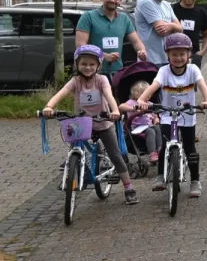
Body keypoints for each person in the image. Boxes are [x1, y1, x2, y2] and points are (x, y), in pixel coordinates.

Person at [43, 45, 139, 205]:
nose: (87, 67)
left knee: (115, 155)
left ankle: (128, 188)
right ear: (77, 65)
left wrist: (114, 111)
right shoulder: (75, 81)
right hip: (81, 123)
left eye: (92, 64)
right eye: (84, 64)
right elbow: (60, 94)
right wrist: (48, 107)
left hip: (102, 122)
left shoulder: (101, 80)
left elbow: (109, 95)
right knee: (73, 151)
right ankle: (71, 178)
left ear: (98, 66)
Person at [139, 33, 207, 198]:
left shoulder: (193, 69)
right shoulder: (164, 71)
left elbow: (202, 85)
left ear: (188, 54)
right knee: (165, 146)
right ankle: (160, 176)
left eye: (182, 54)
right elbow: (154, 85)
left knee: (190, 148)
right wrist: (142, 99)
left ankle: (195, 181)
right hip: (167, 114)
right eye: (174, 54)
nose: (178, 58)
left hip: (187, 114)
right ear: (168, 55)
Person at [76, 0, 146, 79]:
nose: (112, 0)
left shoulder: (124, 19)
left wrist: (142, 51)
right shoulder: (88, 17)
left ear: (120, 1)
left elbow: (136, 41)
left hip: (117, 72)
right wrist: (104, 56)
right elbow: (81, 46)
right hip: (92, 72)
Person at [135, 0, 184, 66]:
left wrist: (171, 25)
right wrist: (174, 27)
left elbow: (180, 30)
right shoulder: (146, 3)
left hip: (166, 59)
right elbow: (162, 32)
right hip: (151, 61)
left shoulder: (166, 5)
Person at [119, 81, 161, 165]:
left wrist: (156, 119)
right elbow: (121, 106)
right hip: (137, 127)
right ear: (136, 94)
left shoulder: (150, 104)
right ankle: (152, 153)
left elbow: (155, 114)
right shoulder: (132, 102)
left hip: (149, 125)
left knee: (158, 128)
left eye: (149, 93)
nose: (148, 95)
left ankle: (160, 149)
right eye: (144, 93)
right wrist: (133, 109)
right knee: (151, 131)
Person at [172, 0, 207, 68]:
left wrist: (202, 52)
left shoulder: (201, 13)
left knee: (193, 81)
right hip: (173, 55)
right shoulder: (171, 9)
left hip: (193, 56)